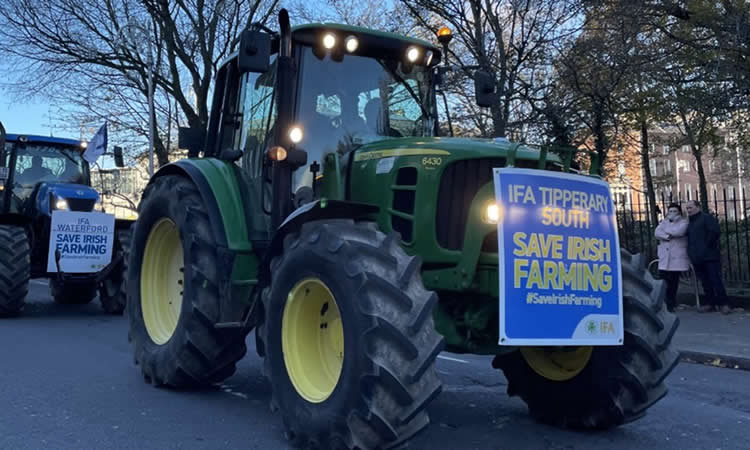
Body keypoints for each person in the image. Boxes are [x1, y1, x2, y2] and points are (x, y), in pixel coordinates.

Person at [685, 200, 732, 314]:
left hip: (709, 256)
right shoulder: (690, 223)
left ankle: (724, 304)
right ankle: (710, 303)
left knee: (715, 280)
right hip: (697, 257)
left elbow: (714, 232)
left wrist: (706, 247)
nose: (688, 210)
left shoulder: (706, 218)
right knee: (705, 282)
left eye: (690, 207)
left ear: (698, 207)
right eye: (687, 208)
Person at [654, 203, 690, 312]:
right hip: (665, 256)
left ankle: (671, 303)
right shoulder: (664, 222)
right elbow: (657, 233)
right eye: (670, 211)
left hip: (676, 257)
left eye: (675, 211)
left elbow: (679, 232)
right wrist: (667, 236)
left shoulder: (684, 222)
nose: (672, 213)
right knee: (663, 281)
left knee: (673, 282)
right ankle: (663, 303)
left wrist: (665, 232)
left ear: (679, 212)